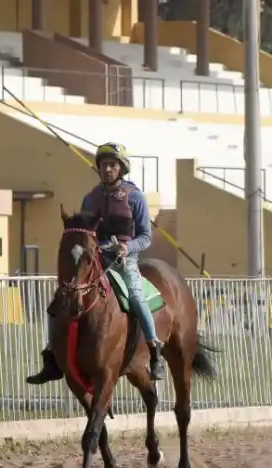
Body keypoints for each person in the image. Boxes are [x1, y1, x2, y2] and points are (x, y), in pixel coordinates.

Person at [26, 142, 167, 385]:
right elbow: (82, 232)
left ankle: (155, 351)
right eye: (103, 165)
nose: (108, 169)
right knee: (62, 296)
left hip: (124, 259)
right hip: (94, 257)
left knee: (135, 296)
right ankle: (51, 359)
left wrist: (126, 247)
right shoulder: (90, 198)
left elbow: (145, 237)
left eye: (112, 165)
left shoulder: (135, 197)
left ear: (121, 168)